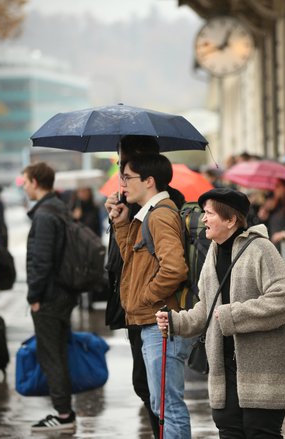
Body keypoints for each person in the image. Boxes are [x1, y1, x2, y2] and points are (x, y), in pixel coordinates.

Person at [155, 187, 285, 438]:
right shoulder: (213, 253)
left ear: (231, 219)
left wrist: (234, 316)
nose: (203, 219)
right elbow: (208, 308)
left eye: (209, 213)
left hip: (262, 371)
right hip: (225, 370)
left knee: (261, 433)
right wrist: (176, 321)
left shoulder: (260, 249)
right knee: (229, 432)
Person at [104, 138, 186, 438]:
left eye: (127, 176)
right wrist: (121, 224)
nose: (122, 183)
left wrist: (146, 297)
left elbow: (175, 268)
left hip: (156, 321)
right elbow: (132, 261)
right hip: (145, 319)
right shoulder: (144, 213)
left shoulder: (161, 213)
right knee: (156, 398)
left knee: (167, 405)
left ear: (148, 180)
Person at [21, 162, 78, 432]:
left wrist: (34, 296)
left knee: (51, 355)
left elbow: (41, 262)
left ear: (35, 181)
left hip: (49, 296)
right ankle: (64, 411)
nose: (24, 186)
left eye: (25, 181)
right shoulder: (60, 208)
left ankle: (64, 415)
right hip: (64, 292)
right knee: (58, 353)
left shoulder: (44, 215)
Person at [257, 178, 285, 248]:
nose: (275, 189)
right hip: (274, 247)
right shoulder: (276, 206)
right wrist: (264, 218)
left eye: (278, 186)